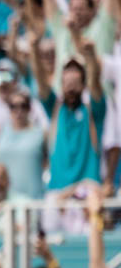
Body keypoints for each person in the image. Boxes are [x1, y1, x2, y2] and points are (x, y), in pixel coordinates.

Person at [32, 47, 108, 192]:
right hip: (58, 194)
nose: (71, 83)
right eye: (68, 75)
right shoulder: (55, 109)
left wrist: (91, 57)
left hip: (87, 195)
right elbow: (41, 82)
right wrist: (34, 48)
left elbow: (95, 85)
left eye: (76, 75)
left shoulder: (94, 112)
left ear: (83, 83)